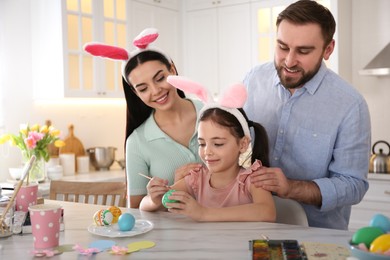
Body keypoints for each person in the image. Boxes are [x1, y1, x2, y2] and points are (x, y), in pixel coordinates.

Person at [243, 0, 371, 230]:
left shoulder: (351, 105)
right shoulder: (253, 80)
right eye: (282, 47)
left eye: (303, 51)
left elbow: (353, 185)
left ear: (328, 49)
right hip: (251, 224)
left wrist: (291, 188)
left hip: (316, 236)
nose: (290, 61)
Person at [84, 28, 203, 208]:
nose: (156, 91)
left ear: (172, 69)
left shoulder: (212, 112)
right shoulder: (137, 141)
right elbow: (137, 206)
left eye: (160, 78)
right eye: (143, 88)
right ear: (135, 92)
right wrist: (157, 198)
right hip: (175, 235)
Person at [139, 76, 276, 222]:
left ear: (242, 144)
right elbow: (144, 206)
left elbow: (267, 212)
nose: (207, 152)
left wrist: (204, 213)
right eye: (202, 144)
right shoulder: (197, 179)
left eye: (218, 144)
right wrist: (155, 199)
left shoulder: (252, 178)